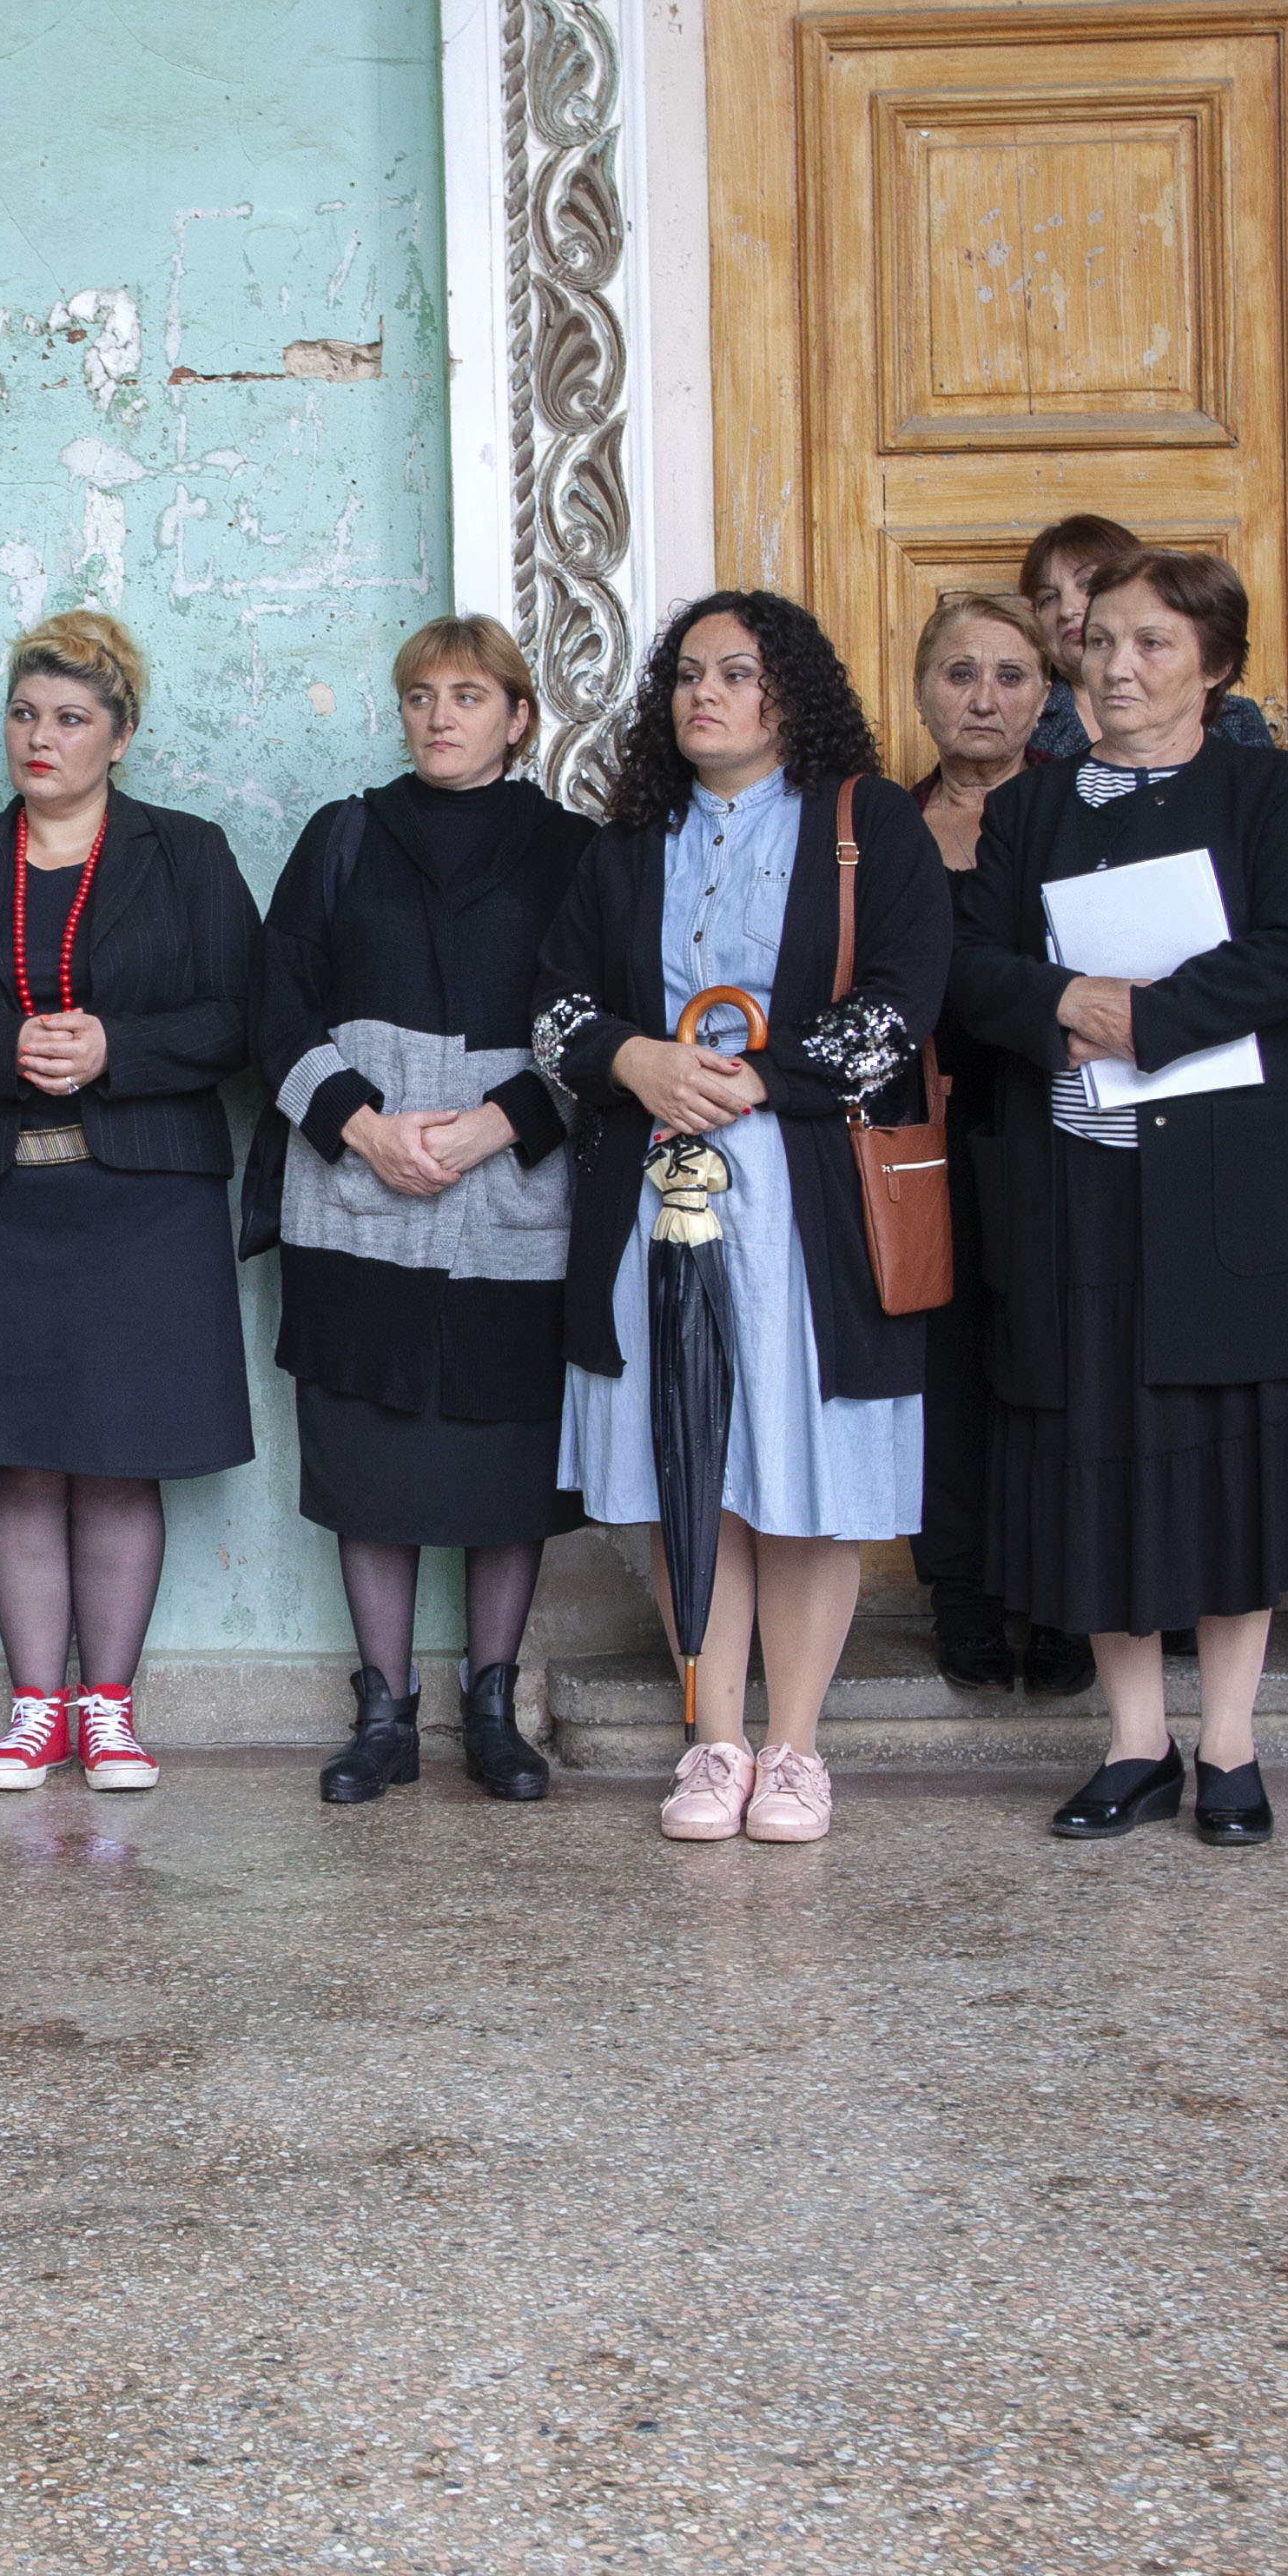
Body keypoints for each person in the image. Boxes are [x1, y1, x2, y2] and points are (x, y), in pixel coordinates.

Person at [950, 549, 1288, 1851]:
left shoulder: (1273, 789)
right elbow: (968, 966)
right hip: (1079, 1180)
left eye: (1153, 645)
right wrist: (1063, 1001)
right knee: (1098, 1452)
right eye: (1102, 642)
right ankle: (1136, 1744)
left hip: (1235, 1179)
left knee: (1234, 1456)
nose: (1118, 668)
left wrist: (1145, 1016)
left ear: (1217, 667)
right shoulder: (1030, 807)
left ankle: (1231, 1743)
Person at [530, 590, 954, 1850]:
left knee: (804, 1471)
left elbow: (905, 999)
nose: (703, 694)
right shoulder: (627, 844)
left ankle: (796, 1750)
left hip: (809, 1198)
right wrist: (637, 1062)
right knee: (692, 1461)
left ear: (792, 694)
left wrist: (763, 1078)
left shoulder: (868, 822)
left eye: (736, 673)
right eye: (686, 675)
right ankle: (713, 1742)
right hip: (656, 1185)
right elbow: (554, 1009)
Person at [0, 610, 263, 1795]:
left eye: (70, 718)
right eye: (24, 713)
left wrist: (117, 1049)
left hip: (145, 1199)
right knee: (20, 1460)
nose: (39, 738)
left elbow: (244, 1015)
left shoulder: (186, 854)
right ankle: (33, 1710)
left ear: (121, 736)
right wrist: (3, 1047)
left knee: (119, 1459)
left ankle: (110, 1713)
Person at [249, 614, 599, 1804]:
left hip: (513, 1196)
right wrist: (359, 1124)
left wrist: (504, 1122)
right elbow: (274, 1001)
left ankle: (492, 1709)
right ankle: (383, 1714)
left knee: (509, 1462)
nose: (439, 717)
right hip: (358, 1195)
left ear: (519, 717)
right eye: (419, 696)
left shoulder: (574, 851)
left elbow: (607, 1019)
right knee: (370, 1457)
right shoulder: (344, 836)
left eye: (467, 695)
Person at [903, 592, 1090, 1702]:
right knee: (945, 1365)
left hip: (1062, 1119)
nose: (984, 697)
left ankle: (1067, 1598)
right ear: (922, 689)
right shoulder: (877, 825)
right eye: (960, 673)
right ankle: (963, 1594)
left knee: (1060, 1360)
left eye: (1012, 675)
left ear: (1047, 694)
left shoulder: (1081, 810)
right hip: (919, 1131)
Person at [1022, 513, 1274, 759]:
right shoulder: (1025, 719)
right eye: (1048, 598)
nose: (1067, 610)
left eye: (1087, 583)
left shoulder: (1235, 720)